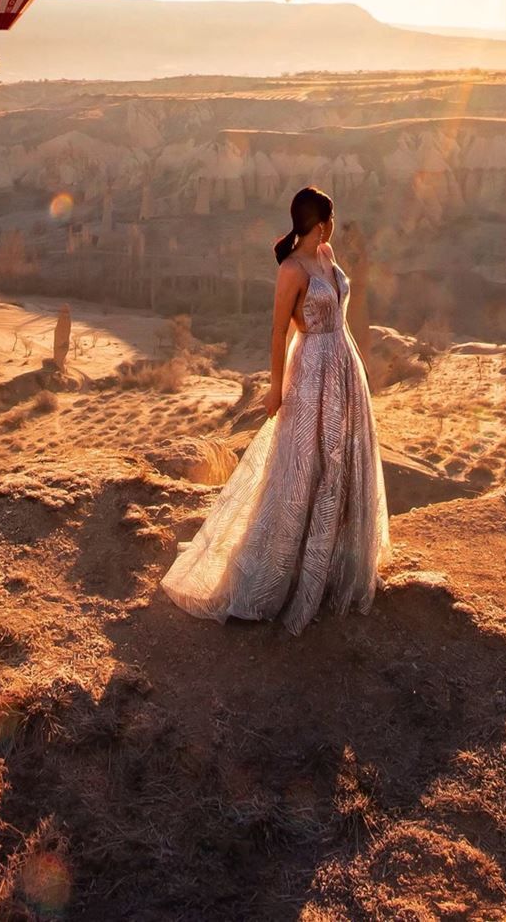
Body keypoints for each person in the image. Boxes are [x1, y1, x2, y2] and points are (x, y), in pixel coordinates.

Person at [160, 186, 389, 634]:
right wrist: (275, 388)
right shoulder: (292, 269)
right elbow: (278, 332)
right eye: (332, 219)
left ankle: (329, 562)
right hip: (310, 369)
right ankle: (276, 575)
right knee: (302, 465)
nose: (334, 227)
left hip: (343, 364)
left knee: (340, 461)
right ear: (321, 221)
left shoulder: (326, 253)